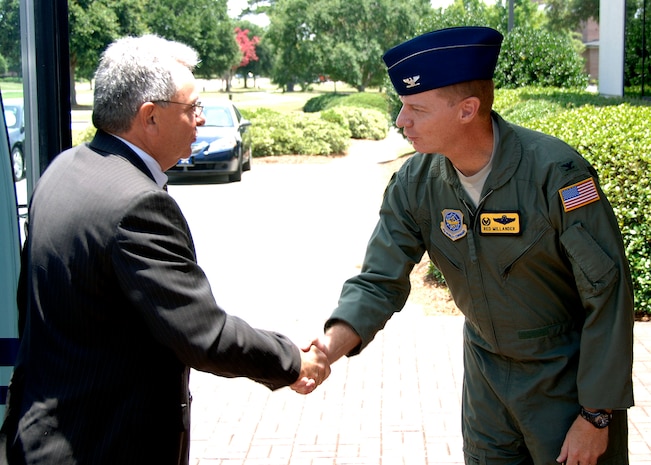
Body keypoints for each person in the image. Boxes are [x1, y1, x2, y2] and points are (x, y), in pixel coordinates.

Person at [310, 26, 634, 465]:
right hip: (486, 384)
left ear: (467, 109)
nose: (400, 121)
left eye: (416, 109)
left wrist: (596, 416)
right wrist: (329, 347)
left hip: (565, 382)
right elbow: (379, 281)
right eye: (402, 107)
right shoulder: (415, 183)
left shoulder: (556, 174)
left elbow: (608, 294)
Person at [0, 34, 329, 465]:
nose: (202, 121)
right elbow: (203, 333)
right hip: (101, 447)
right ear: (150, 117)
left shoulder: (64, 168)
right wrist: (290, 361)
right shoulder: (138, 205)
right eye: (192, 108)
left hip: (41, 436)